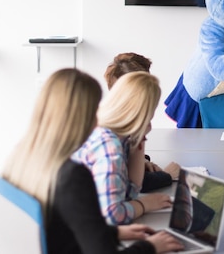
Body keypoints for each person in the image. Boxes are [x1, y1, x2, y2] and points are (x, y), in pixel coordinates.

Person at [0, 68, 183, 253]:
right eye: (95, 108)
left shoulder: (21, 158)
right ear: (83, 115)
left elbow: (59, 227)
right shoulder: (72, 176)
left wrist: (111, 233)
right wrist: (150, 246)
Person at [72, 71, 173, 225]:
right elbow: (112, 215)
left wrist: (140, 137)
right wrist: (145, 205)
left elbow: (131, 191)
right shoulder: (108, 148)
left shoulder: (117, 135)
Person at [104, 52, 181, 192]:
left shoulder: (112, 117)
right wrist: (167, 175)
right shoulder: (114, 134)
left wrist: (143, 161)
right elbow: (133, 185)